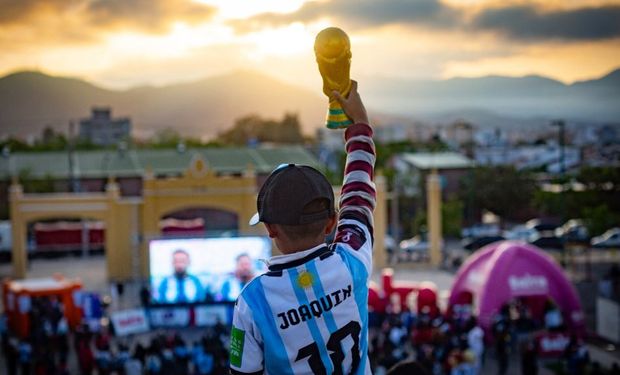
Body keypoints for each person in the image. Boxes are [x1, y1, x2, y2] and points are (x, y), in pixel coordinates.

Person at [229, 80, 375, 374]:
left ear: (270, 229)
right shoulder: (353, 259)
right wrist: (359, 122)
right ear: (331, 223)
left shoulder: (252, 301)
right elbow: (359, 195)